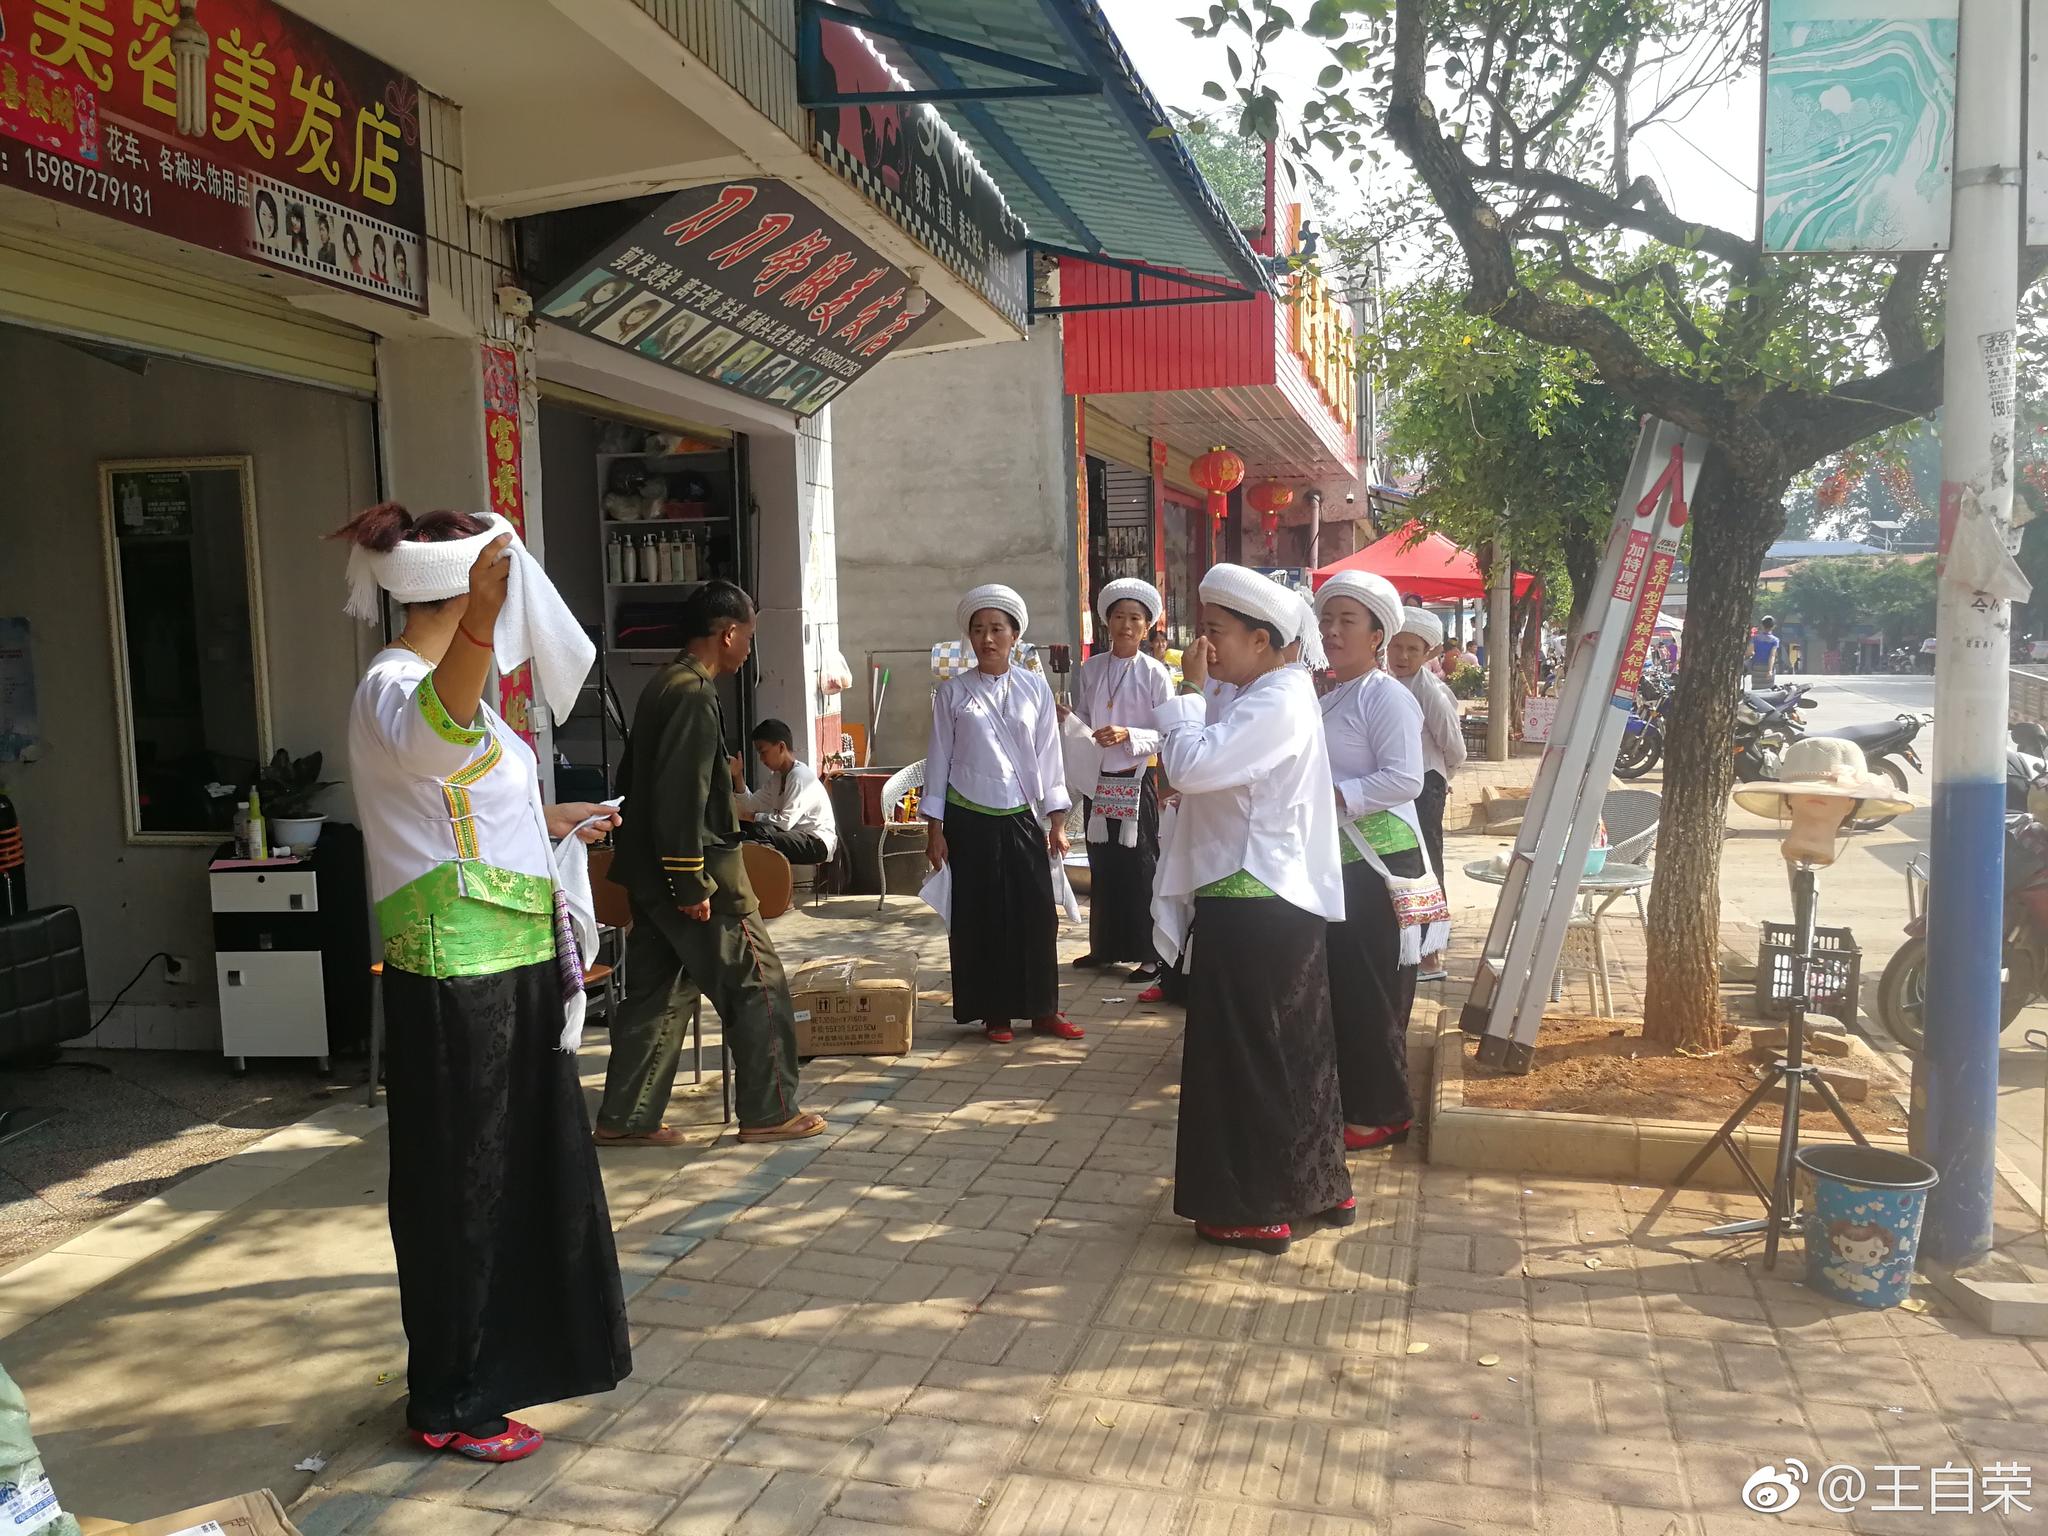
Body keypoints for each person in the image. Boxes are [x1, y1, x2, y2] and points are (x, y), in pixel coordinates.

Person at [336, 502, 629, 1465]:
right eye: (491, 597)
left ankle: (494, 1373)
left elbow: (467, 802)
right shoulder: (396, 687)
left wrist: (555, 820)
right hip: (452, 977)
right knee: (461, 1188)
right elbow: (434, 737)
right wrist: (474, 628)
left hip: (511, 969)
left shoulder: (459, 692)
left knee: (520, 1178)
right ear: (464, 588)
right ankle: (450, 1399)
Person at [1152, 563, 1350, 1253]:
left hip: (1254, 900)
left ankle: (1255, 1204)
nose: (1204, 648)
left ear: (1262, 640)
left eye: (1215, 635)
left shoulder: (1275, 701)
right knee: (1290, 1052)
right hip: (1265, 901)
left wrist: (1183, 691)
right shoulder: (1269, 694)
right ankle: (1315, 1185)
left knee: (1248, 1060)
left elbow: (1191, 768)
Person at [598, 581, 825, 1147]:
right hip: (697, 876)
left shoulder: (664, 684)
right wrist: (688, 881)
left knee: (658, 993)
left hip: (652, 875)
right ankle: (770, 1110)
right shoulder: (693, 692)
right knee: (759, 983)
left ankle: (626, 1119)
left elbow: (636, 784)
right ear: (728, 634)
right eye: (748, 636)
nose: (749, 648)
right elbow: (681, 795)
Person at [925, 584, 1081, 1044]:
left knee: (1036, 913)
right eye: (978, 630)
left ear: (1015, 635)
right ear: (969, 639)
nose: (987, 638)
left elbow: (1050, 757)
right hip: (969, 816)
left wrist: (1057, 823)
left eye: (996, 629)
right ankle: (995, 1012)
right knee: (983, 914)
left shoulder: (1034, 688)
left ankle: (1043, 1009)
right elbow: (938, 761)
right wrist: (934, 830)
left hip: (1023, 815)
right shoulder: (952, 693)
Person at [1315, 573, 1433, 1152]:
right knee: (1346, 986)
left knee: (1373, 988)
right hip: (1341, 861)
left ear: (1378, 633)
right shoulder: (1334, 691)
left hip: (1378, 860)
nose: (1333, 631)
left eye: (1347, 621)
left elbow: (1406, 778)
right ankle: (1357, 1099)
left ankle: (1384, 1113)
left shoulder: (1385, 695)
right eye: (1327, 620)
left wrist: (1330, 796)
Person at [1067, 579, 1174, 979]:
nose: (1125, 625)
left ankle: (1151, 954)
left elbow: (1167, 733)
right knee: (1104, 864)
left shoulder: (1155, 673)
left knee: (1141, 866)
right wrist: (1070, 721)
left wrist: (1129, 734)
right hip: (1101, 780)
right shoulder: (1091, 668)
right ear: (1106, 623)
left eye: (1134, 618)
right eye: (1118, 617)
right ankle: (1106, 947)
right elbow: (1082, 718)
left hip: (1136, 779)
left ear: (1146, 627)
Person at [1387, 606, 1465, 983]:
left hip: (1425, 787)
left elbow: (1455, 746)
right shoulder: (1385, 683)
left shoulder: (1432, 690)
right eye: (1396, 647)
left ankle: (1433, 956)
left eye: (1411, 649)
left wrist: (1440, 778)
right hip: (1396, 789)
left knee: (1428, 867)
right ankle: (1409, 948)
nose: (1401, 656)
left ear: (1428, 653)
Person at [731, 718, 837, 867]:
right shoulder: (777, 777)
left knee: (759, 833)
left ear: (781, 747)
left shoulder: (799, 777)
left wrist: (749, 816)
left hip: (816, 842)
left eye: (763, 752)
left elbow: (784, 823)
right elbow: (751, 804)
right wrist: (737, 775)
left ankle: (774, 883)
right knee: (746, 828)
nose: (761, 759)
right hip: (792, 837)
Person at [1751, 616, 1781, 688]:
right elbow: (1772, 656)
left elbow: (1750, 652)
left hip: (1756, 667)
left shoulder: (1755, 638)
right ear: (1773, 626)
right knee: (1768, 691)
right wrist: (1770, 670)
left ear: (1762, 625)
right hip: (1767, 667)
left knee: (1756, 689)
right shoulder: (1775, 640)